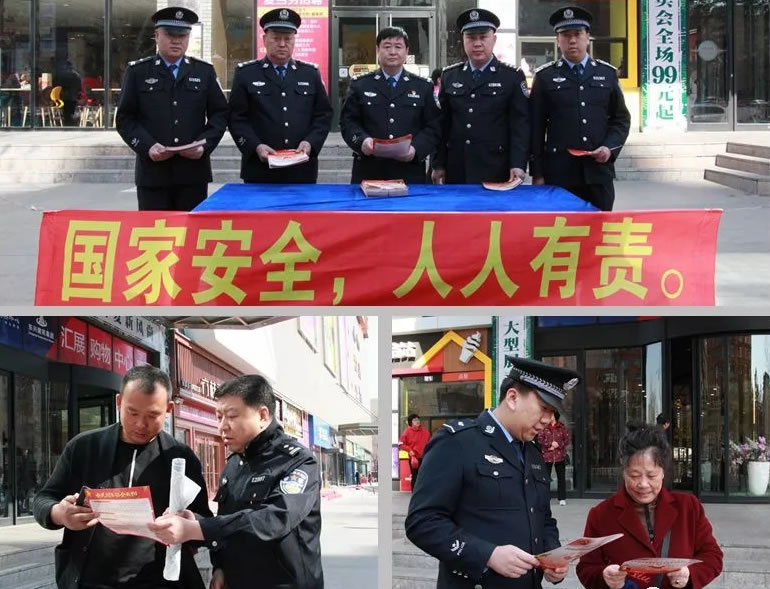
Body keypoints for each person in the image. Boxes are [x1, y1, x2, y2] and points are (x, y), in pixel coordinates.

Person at [405, 357, 582, 589]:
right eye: (544, 408)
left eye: (553, 412)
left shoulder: (533, 452)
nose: (548, 420)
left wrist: (552, 556)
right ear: (512, 398)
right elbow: (422, 522)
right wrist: (487, 555)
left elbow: (542, 517)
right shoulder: (458, 442)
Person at [32, 365, 211, 589]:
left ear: (169, 409)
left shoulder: (181, 457)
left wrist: (189, 522)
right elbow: (43, 499)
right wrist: (58, 513)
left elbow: (204, 518)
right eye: (132, 412)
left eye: (153, 415)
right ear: (119, 402)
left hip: (158, 582)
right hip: (91, 580)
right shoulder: (84, 448)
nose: (141, 424)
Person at [150, 375, 323, 589]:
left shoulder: (297, 461)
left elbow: (275, 519)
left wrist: (197, 528)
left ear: (262, 415)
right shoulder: (233, 464)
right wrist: (219, 566)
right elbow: (228, 520)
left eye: (232, 416)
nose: (222, 426)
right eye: (219, 416)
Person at [576, 424, 723, 589]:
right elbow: (586, 568)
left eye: (651, 475)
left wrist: (689, 574)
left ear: (663, 472)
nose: (643, 484)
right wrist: (604, 577)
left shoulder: (688, 507)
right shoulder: (601, 514)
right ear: (624, 472)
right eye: (634, 475)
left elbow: (713, 556)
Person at [116, 6, 229, 211]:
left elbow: (219, 114)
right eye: (170, 35)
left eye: (182, 35)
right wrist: (147, 146)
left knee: (191, 230)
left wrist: (204, 145)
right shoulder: (138, 72)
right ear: (157, 36)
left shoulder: (204, 71)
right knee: (154, 230)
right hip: (153, 173)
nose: (176, 41)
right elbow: (125, 118)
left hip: (192, 173)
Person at [529, 6, 631, 211]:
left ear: (588, 37)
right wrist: (537, 173)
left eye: (577, 34)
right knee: (559, 228)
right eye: (566, 35)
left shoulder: (607, 74)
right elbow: (536, 129)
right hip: (559, 172)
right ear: (558, 40)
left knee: (599, 226)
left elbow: (620, 119)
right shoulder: (545, 77)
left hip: (598, 172)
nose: (572, 40)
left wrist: (609, 148)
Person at [229, 8, 333, 184]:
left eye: (288, 39)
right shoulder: (246, 74)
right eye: (276, 38)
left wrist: (310, 143)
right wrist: (255, 146)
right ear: (264, 39)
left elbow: (323, 115)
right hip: (259, 169)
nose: (282, 44)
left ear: (294, 40)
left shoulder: (310, 74)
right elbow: (236, 118)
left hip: (301, 168)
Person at [431, 8, 530, 185]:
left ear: (494, 39)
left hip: (497, 167)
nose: (477, 44)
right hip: (457, 167)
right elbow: (442, 125)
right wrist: (438, 164)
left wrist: (518, 164)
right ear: (463, 40)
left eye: (483, 37)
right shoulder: (450, 76)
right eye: (471, 38)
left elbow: (520, 125)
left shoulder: (511, 76)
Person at [340, 26, 441, 184]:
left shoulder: (423, 86)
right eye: (387, 47)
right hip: (369, 169)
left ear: (407, 51)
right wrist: (362, 141)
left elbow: (433, 126)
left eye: (398, 47)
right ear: (377, 50)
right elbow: (348, 122)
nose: (393, 52)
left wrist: (415, 149)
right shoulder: (360, 85)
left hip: (409, 171)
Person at [536, 410, 570, 506]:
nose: (549, 416)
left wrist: (558, 444)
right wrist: (550, 444)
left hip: (560, 456)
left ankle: (562, 498)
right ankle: (546, 497)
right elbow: (540, 439)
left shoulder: (562, 427)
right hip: (547, 456)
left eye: (551, 415)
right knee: (546, 478)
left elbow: (566, 440)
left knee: (561, 478)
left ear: (555, 416)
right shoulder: (544, 427)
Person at [399, 413, 430, 490]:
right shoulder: (407, 432)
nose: (417, 421)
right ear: (411, 422)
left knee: (424, 475)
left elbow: (430, 443)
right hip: (414, 458)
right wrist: (409, 450)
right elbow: (401, 444)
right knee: (415, 476)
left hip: (425, 457)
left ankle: (423, 492)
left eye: (418, 419)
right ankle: (415, 493)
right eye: (415, 420)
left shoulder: (425, 432)